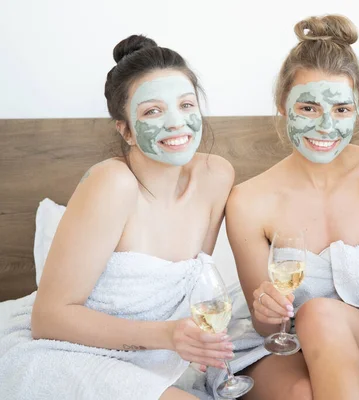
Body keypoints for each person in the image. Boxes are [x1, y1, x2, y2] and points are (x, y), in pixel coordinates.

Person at [0, 35, 234, 400]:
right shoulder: (112, 183)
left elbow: (195, 283)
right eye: (152, 111)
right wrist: (167, 335)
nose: (177, 123)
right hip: (71, 351)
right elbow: (48, 320)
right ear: (124, 129)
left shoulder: (217, 176)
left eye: (186, 105)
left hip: (160, 357)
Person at [225, 14, 359, 400]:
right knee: (300, 392)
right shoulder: (247, 200)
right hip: (284, 348)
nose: (326, 127)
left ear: (357, 107)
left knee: (319, 312)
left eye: (342, 110)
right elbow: (268, 331)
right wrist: (266, 311)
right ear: (283, 105)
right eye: (309, 108)